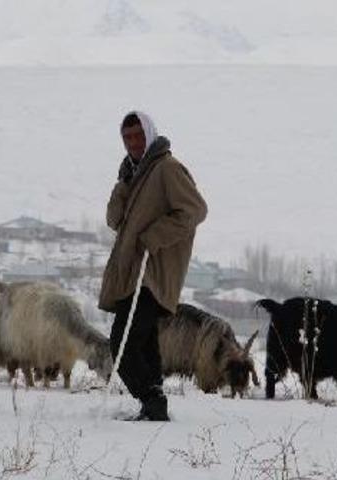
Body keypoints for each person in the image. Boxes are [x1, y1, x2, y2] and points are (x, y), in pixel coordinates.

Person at [99, 111, 208, 421]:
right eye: (127, 137)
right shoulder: (134, 173)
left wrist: (153, 237)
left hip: (152, 272)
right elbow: (113, 220)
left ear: (149, 134)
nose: (133, 143)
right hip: (132, 273)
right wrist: (123, 183)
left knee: (122, 341)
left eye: (138, 136)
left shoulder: (167, 169)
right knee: (143, 343)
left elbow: (195, 211)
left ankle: (151, 398)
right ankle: (154, 404)